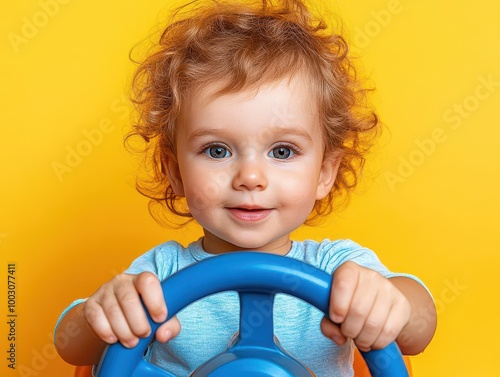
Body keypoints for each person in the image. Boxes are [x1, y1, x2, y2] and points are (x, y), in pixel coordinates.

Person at [54, 0, 436, 375]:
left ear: (324, 172)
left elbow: (419, 327)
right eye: (217, 150)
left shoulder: (337, 268)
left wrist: (390, 304)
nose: (250, 177)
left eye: (282, 151)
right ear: (175, 172)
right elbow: (70, 346)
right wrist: (103, 314)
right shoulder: (159, 275)